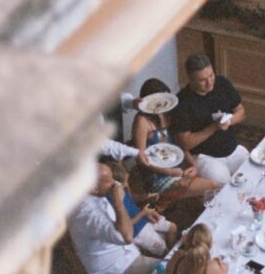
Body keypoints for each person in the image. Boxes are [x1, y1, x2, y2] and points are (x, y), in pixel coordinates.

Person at [132, 78, 219, 206]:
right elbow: (141, 159)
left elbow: (180, 144)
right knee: (213, 185)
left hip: (177, 168)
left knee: (211, 180)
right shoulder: (142, 121)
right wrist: (169, 172)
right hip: (157, 177)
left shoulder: (169, 115)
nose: (166, 105)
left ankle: (206, 212)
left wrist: (192, 165)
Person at [67, 162, 160, 274]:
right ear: (94, 188)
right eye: (109, 181)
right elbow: (125, 237)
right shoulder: (85, 213)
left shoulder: (90, 193)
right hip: (114, 266)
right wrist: (118, 203)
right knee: (168, 268)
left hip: (124, 250)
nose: (115, 184)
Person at [171, 54, 248, 184]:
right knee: (224, 185)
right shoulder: (182, 102)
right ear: (190, 80)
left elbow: (241, 112)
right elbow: (185, 143)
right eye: (202, 80)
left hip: (232, 148)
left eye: (211, 75)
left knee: (253, 173)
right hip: (205, 156)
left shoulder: (222, 83)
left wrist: (228, 121)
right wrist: (213, 127)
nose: (210, 82)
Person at [104, 160, 177, 257]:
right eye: (124, 182)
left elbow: (131, 198)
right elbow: (124, 227)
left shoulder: (121, 189)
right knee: (163, 250)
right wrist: (143, 213)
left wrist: (146, 196)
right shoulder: (110, 203)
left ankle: (174, 251)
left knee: (173, 227)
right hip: (137, 231)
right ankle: (170, 258)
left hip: (144, 217)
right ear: (115, 184)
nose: (127, 184)